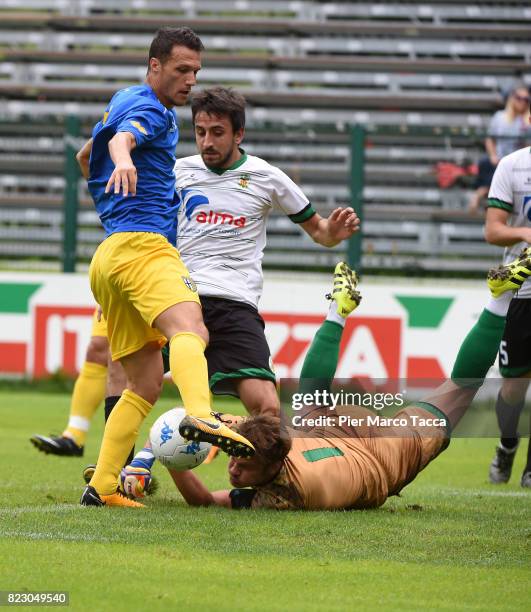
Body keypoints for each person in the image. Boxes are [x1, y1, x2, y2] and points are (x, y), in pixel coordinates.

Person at [77, 27, 256, 509]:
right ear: (154, 65)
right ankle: (202, 414)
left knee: (144, 383)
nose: (190, 80)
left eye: (196, 71)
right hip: (144, 249)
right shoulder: (151, 111)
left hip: (110, 254)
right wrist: (123, 161)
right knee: (191, 329)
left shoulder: (123, 97)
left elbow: (85, 154)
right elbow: (121, 142)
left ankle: (105, 486)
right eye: (181, 69)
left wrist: (112, 184)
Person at [165, 263, 481, 511]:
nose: (234, 471)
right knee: (307, 403)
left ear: (274, 465)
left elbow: (206, 501)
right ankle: (337, 313)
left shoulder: (286, 495)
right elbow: (203, 424)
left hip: (382, 458)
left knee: (459, 392)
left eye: (244, 467)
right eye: (236, 460)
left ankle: (498, 299)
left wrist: (172, 459)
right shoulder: (270, 441)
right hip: (335, 429)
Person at [482, 124, 531, 487]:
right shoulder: (513, 166)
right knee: (514, 386)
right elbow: (493, 230)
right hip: (521, 289)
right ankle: (507, 443)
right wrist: (526, 233)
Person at [30, 308, 108, 456]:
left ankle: (139, 455)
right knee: (97, 349)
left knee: (137, 365)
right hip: (117, 289)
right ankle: (74, 437)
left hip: (150, 289)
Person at [468, 85, 530, 213]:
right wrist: (492, 155)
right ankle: (481, 195)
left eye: (526, 99)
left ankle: (481, 195)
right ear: (512, 98)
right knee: (488, 163)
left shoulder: (527, 120)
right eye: (519, 98)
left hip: (517, 161)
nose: (522, 102)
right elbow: (490, 138)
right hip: (499, 158)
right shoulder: (500, 117)